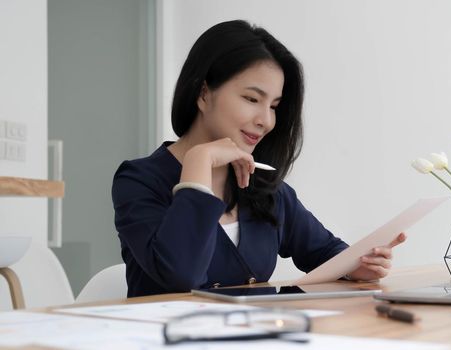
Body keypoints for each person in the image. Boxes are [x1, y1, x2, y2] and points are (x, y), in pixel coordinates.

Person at [111, 20, 405, 297]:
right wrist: (199, 161)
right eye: (252, 99)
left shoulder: (264, 185)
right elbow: (182, 276)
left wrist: (358, 266)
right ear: (203, 94)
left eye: (274, 106)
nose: (265, 120)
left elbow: (326, 253)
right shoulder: (139, 181)